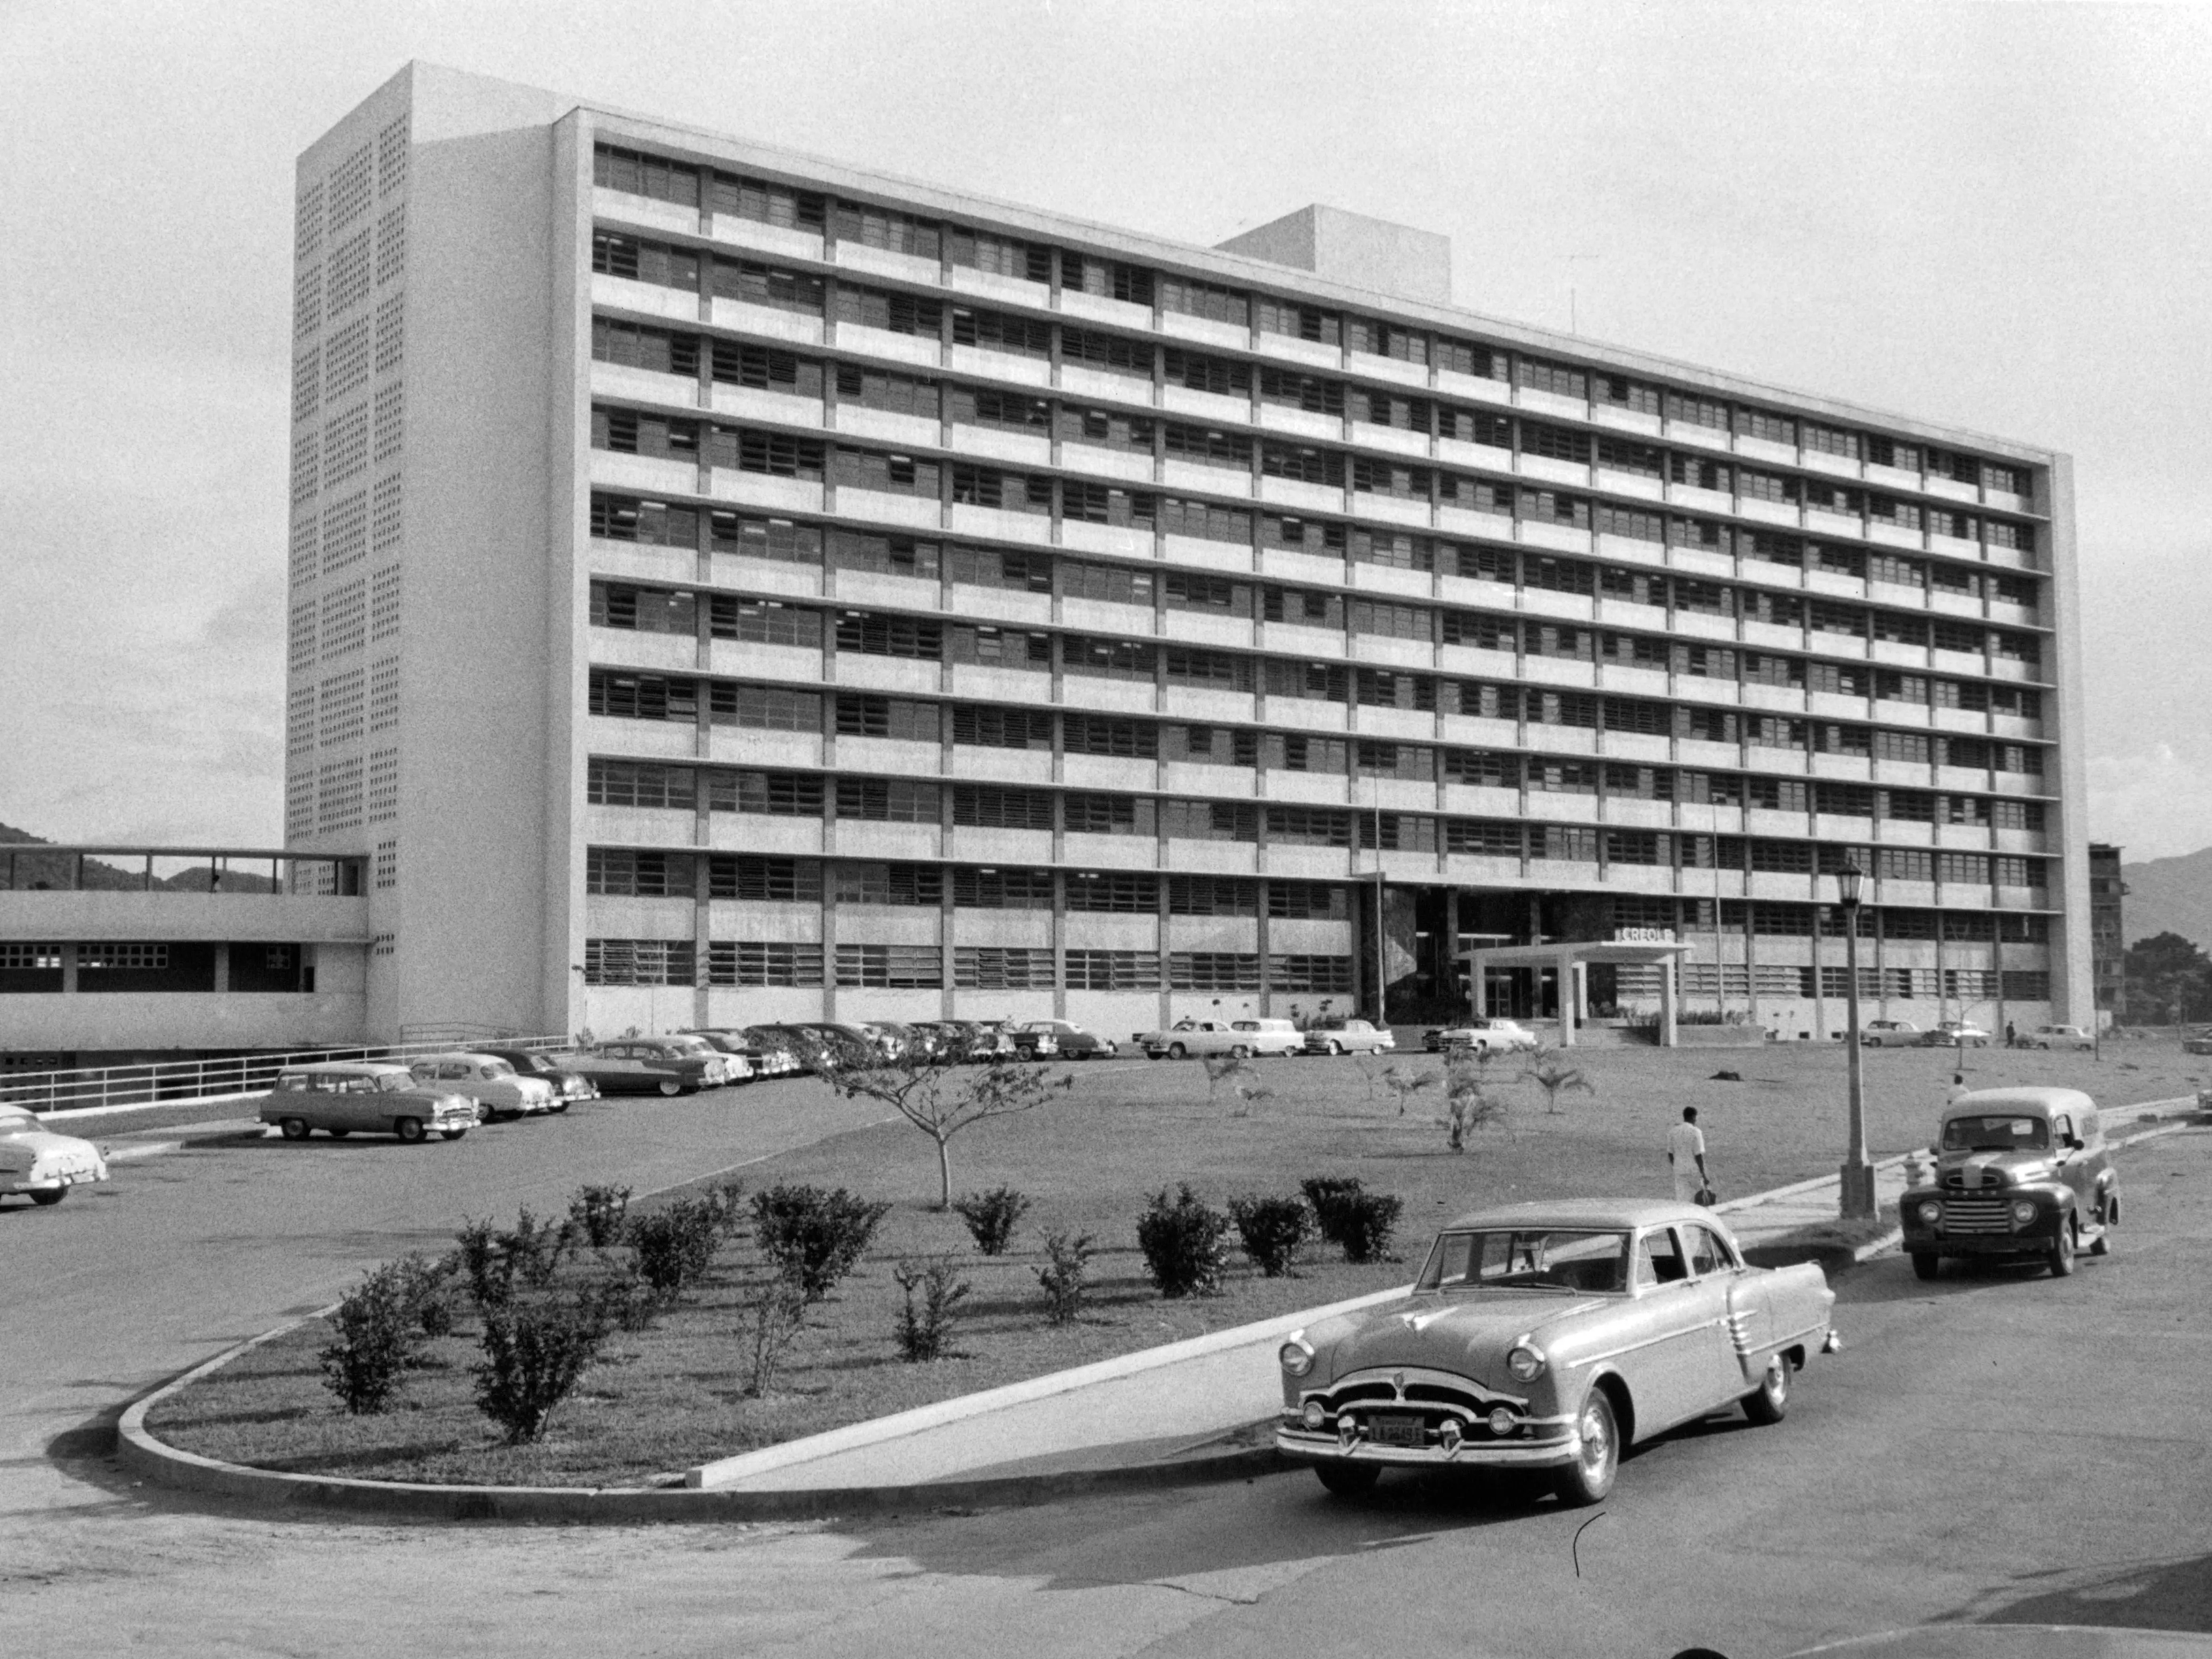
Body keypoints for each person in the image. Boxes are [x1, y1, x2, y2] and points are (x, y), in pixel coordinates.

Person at [1668, 1107, 1711, 1204]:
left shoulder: (1673, 1132)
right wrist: (1704, 1175)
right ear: (1693, 1117)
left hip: (1679, 1170)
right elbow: (1699, 1156)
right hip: (1694, 1171)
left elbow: (1670, 1154)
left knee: (1682, 1199)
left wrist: (1676, 1165)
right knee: (1697, 1199)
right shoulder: (1696, 1132)